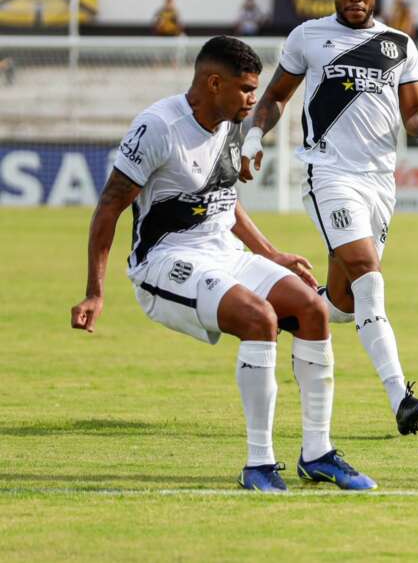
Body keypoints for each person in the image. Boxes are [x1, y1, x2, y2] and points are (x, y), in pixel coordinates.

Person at [70, 36, 376, 493]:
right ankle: (259, 464)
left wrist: (270, 253)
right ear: (214, 83)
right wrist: (96, 290)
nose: (254, 98)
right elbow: (110, 206)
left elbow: (225, 200)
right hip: (165, 261)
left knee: (312, 309)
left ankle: (318, 452)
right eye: (247, 89)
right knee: (259, 319)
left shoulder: (233, 123)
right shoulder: (159, 126)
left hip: (225, 254)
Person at [239, 0, 418, 435]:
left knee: (345, 304)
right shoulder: (309, 36)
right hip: (328, 173)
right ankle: (401, 396)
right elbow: (274, 97)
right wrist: (250, 137)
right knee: (367, 275)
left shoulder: (399, 45)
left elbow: (411, 120)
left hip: (379, 180)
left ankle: (278, 307)